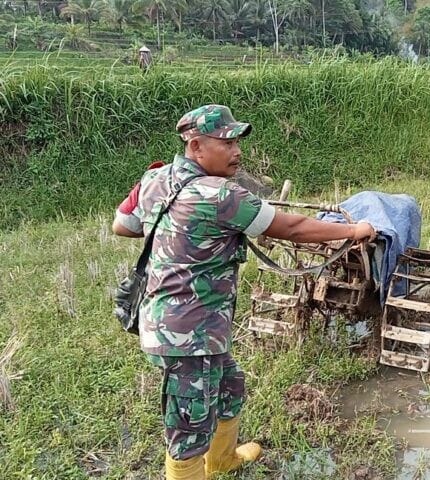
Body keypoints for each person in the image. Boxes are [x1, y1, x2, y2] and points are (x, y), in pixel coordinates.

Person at [111, 104, 376, 479]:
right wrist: (353, 231)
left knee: (230, 385)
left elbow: (123, 225)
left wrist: (177, 228)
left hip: (193, 325)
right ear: (196, 146)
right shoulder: (220, 195)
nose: (237, 151)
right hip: (188, 336)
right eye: (226, 143)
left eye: (237, 142)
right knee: (189, 427)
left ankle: (222, 461)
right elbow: (292, 228)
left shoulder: (156, 178)